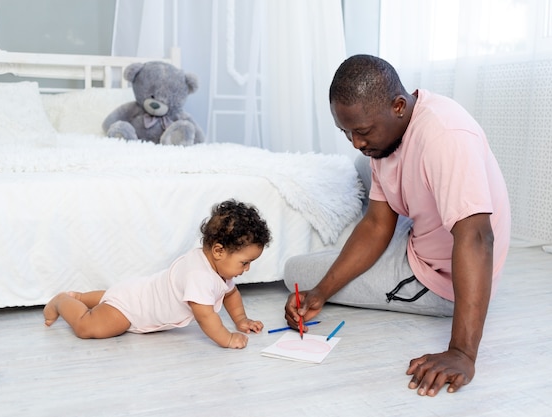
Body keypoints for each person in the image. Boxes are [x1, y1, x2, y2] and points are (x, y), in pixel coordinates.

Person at [283, 55, 511, 396]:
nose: (357, 143)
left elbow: (477, 237)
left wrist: (463, 353)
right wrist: (321, 292)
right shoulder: (391, 133)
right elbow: (377, 224)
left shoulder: (444, 137)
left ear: (399, 106)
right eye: (345, 132)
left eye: (361, 132)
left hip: (440, 274)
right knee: (361, 168)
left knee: (295, 270)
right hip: (422, 230)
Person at [44, 199, 272, 349]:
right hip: (132, 310)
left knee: (113, 296)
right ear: (219, 250)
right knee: (88, 327)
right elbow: (206, 317)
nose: (247, 269)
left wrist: (241, 320)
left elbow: (231, 295)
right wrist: (228, 338)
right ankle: (63, 301)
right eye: (245, 262)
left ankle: (81, 297)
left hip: (136, 293)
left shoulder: (217, 268)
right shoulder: (199, 276)